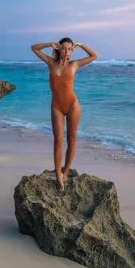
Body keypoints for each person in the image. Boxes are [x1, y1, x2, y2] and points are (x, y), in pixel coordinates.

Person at [30, 38, 99, 191]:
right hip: (57, 106)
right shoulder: (50, 63)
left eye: (70, 49)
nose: (67, 52)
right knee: (58, 140)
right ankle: (58, 175)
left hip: (73, 105)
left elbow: (94, 55)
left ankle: (66, 172)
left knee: (72, 139)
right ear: (59, 49)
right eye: (64, 48)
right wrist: (49, 44)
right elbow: (34, 48)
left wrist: (81, 45)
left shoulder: (73, 65)